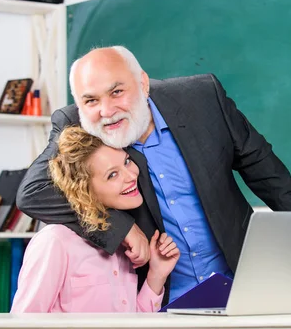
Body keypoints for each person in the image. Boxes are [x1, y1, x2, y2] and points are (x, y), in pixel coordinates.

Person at [17, 46, 291, 303]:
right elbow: (32, 193)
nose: (106, 111)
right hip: (158, 299)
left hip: (239, 283)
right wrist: (120, 228)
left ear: (143, 83)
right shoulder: (76, 123)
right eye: (90, 100)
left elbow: (268, 174)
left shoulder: (203, 98)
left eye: (117, 92)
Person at [11, 126, 179, 313]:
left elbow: (131, 322)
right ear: (85, 190)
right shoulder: (54, 241)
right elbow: (24, 320)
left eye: (127, 161)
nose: (131, 175)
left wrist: (156, 276)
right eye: (112, 175)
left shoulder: (124, 244)